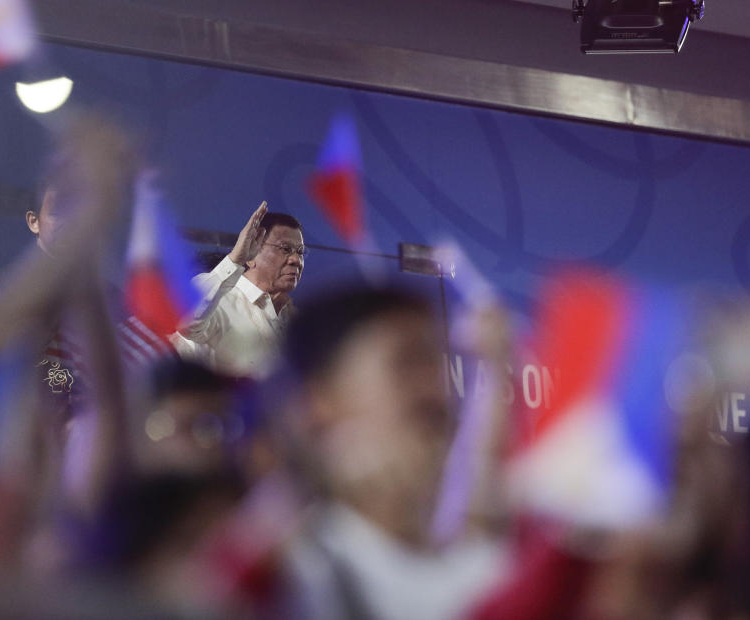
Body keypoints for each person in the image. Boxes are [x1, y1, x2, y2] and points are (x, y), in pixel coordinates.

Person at [275, 286, 509, 620]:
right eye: (406, 362)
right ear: (322, 401)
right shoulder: (295, 573)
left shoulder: (480, 557)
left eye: (434, 361)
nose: (436, 390)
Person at [171, 203, 304, 379]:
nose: (296, 259)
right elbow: (185, 321)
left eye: (300, 252)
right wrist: (235, 259)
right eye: (285, 249)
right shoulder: (218, 300)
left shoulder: (296, 319)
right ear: (252, 253)